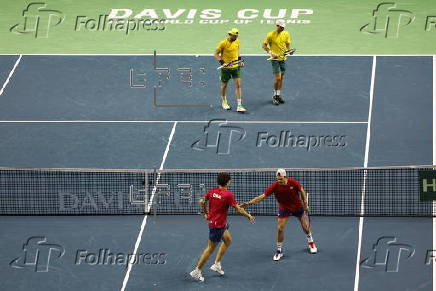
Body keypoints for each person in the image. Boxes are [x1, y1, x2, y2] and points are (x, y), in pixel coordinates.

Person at [190, 172, 255, 282]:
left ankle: (216, 264)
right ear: (228, 182)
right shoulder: (228, 194)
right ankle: (196, 271)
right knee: (210, 249)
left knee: (228, 240)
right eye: (230, 180)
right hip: (217, 226)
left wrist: (206, 213)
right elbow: (237, 209)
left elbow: (202, 201)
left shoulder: (212, 191)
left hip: (220, 223)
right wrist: (248, 216)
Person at [241, 168, 317, 261]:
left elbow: (302, 190)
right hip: (284, 208)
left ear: (285, 177)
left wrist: (305, 204)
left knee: (306, 227)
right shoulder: (275, 186)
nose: (279, 181)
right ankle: (279, 251)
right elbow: (262, 196)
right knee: (280, 228)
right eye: (277, 179)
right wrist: (249, 203)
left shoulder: (293, 182)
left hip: (298, 207)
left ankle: (311, 242)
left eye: (280, 179)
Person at [214, 28, 247, 112]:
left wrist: (240, 61)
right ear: (230, 35)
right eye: (234, 36)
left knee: (238, 85)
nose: (236, 37)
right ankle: (224, 101)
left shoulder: (237, 42)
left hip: (235, 67)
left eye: (237, 35)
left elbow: (237, 52)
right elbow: (216, 54)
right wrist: (222, 62)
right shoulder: (223, 43)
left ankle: (239, 105)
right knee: (224, 85)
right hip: (226, 69)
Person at [262, 19, 291, 105]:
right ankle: (274, 95)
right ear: (277, 26)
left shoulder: (286, 33)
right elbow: (263, 46)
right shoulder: (270, 35)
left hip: (283, 58)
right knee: (277, 78)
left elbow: (288, 45)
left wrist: (290, 51)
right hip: (274, 59)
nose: (282, 28)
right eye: (281, 27)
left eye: (283, 27)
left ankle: (278, 95)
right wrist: (271, 53)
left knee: (281, 78)